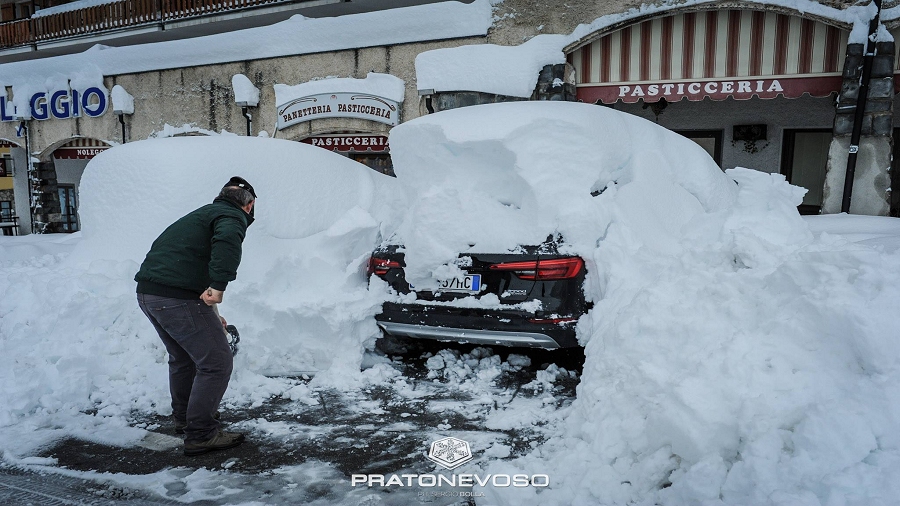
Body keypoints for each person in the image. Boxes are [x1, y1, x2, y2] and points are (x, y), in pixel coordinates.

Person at [135, 176, 256, 456]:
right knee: (216, 362)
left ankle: (185, 419)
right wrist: (219, 286)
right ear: (248, 206)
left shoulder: (203, 214)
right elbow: (226, 242)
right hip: (176, 298)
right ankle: (201, 433)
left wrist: (213, 311)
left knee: (184, 358)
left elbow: (189, 264)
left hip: (151, 294)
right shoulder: (231, 216)